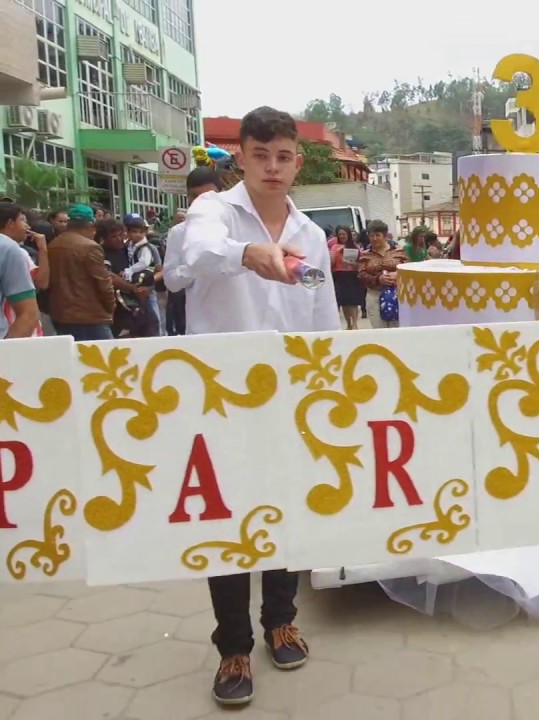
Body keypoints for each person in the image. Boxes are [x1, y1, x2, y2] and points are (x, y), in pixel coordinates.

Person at [180, 106, 339, 705]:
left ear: (298, 161)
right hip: (220, 397)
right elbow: (196, 255)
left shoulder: (312, 236)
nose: (273, 167)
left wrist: (330, 385)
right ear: (240, 158)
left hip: (292, 395)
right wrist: (248, 255)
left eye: (284, 156)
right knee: (226, 521)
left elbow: (322, 319)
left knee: (285, 511)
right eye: (260, 155)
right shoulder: (212, 213)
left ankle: (281, 619)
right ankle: (233, 648)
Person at [162, 168, 225, 337]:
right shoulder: (179, 233)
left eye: (209, 196)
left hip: (243, 327)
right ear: (188, 197)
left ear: (221, 194)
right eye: (196, 196)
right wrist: (194, 267)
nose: (202, 202)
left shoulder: (238, 226)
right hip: (201, 329)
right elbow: (171, 281)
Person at [46, 206, 115, 341]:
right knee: (102, 358)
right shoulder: (90, 247)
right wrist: (110, 307)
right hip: (89, 315)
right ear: (90, 224)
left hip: (60, 314)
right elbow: (103, 283)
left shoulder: (53, 245)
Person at [0, 203, 40, 339]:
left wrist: (7, 354)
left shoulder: (6, 249)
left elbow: (28, 314)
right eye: (22, 220)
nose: (27, 227)